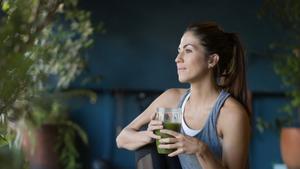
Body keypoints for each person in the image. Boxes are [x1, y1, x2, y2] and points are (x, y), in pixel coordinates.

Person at [116, 21, 251, 169]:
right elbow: (122, 138)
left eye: (188, 51)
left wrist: (201, 150)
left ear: (212, 60)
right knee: (147, 147)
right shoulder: (172, 99)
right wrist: (151, 136)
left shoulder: (231, 114)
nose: (177, 58)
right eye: (179, 50)